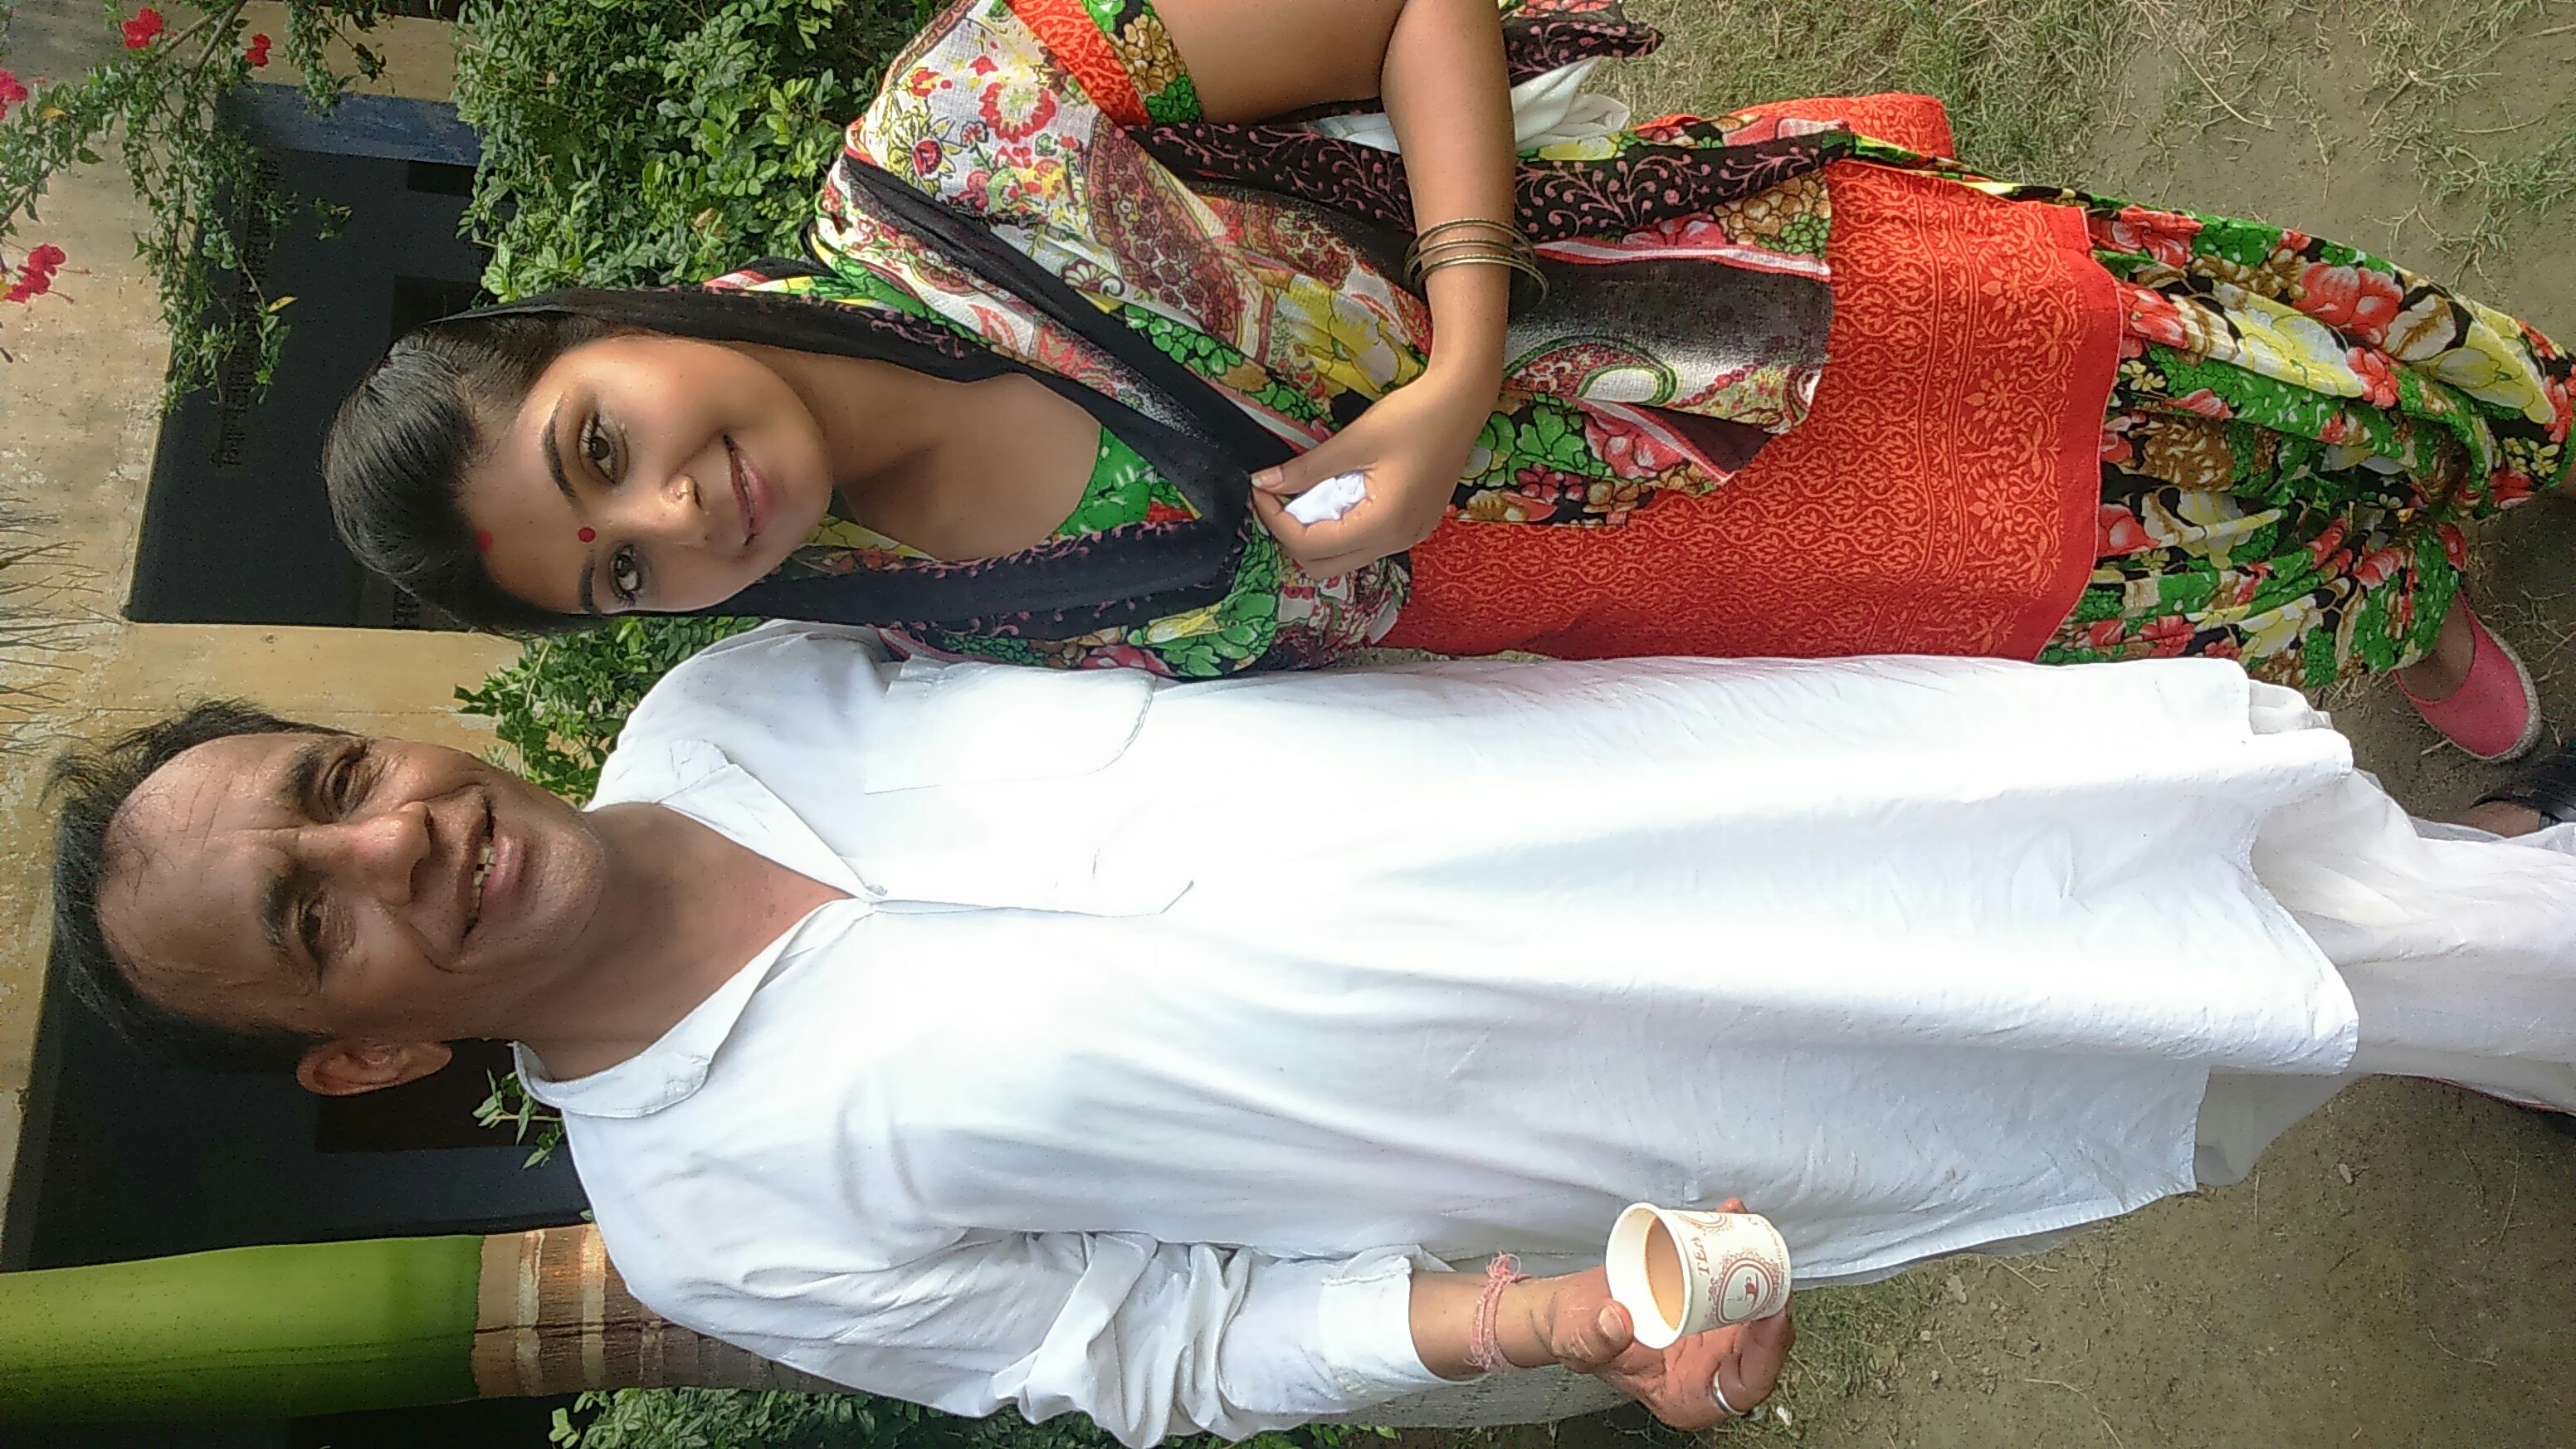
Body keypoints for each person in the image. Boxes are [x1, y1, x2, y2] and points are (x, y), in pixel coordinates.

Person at [51, 629, 2576, 1442]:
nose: (402, 839)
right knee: (2155, 1005)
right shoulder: (713, 1213)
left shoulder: (741, 692)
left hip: (1695, 787)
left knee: (2123, 833)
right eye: (314, 918)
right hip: (1657, 1101)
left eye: (336, 780)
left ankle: (2499, 943)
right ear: (356, 1061)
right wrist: (1539, 1323)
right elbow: (1143, 1343)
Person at [322, 0, 2574, 759]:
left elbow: (1412, 12)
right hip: (1674, 614)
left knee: (2164, 374)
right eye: (617, 573)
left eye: (598, 447)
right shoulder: (926, 641)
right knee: (2083, 595)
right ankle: (2389, 605)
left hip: (1709, 329)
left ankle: (2471, 447)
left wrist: (1460, 359)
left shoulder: (966, 139)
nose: (674, 514)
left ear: (595, 330)